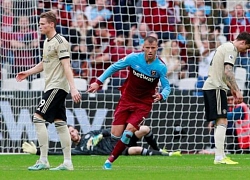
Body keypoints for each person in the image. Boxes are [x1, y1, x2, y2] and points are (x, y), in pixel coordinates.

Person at [87, 36, 171, 170]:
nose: (150, 50)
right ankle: (113, 142)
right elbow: (114, 67)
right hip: (126, 99)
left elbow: (167, 86)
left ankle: (109, 161)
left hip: (143, 104)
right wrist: (98, 82)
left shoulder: (160, 67)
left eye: (153, 48)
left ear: (157, 48)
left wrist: (162, 95)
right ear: (143, 47)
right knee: (115, 135)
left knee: (129, 131)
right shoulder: (133, 58)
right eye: (147, 47)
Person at [16, 11, 82, 171]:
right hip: (52, 85)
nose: (40, 26)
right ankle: (67, 163)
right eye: (39, 24)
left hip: (57, 86)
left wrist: (73, 88)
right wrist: (28, 72)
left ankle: (43, 160)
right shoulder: (47, 42)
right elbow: (45, 63)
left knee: (37, 118)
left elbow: (67, 65)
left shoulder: (61, 41)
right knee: (60, 124)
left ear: (51, 24)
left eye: (42, 24)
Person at [202, 31, 250, 165]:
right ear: (242, 42)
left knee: (221, 121)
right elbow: (228, 71)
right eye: (246, 48)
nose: (245, 51)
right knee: (222, 121)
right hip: (215, 87)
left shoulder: (225, 46)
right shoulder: (231, 49)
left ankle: (220, 155)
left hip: (216, 86)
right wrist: (237, 90)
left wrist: (231, 90)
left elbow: (223, 73)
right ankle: (219, 157)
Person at [22, 125, 181, 157]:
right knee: (136, 150)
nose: (71, 134)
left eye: (72, 131)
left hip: (120, 139)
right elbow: (57, 153)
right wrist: (38, 151)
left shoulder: (90, 134)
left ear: (76, 130)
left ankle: (159, 149)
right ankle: (167, 155)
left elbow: (109, 131)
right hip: (117, 150)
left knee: (145, 129)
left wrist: (99, 136)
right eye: (68, 134)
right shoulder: (78, 150)